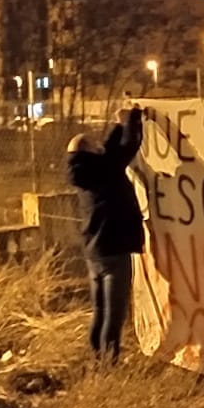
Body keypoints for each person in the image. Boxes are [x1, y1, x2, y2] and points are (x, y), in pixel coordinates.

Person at [65, 105, 145, 362]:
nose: (100, 144)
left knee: (100, 310)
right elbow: (127, 148)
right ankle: (110, 363)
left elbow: (111, 153)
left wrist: (119, 125)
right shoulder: (104, 169)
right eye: (95, 144)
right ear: (90, 151)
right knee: (115, 312)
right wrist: (131, 119)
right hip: (114, 250)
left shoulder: (86, 171)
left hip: (94, 252)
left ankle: (97, 357)